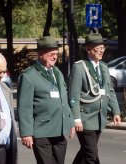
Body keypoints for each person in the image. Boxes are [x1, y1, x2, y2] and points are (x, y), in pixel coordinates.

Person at [17, 36, 75, 164]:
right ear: (40, 54)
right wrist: (26, 133)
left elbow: (64, 100)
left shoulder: (57, 73)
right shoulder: (28, 76)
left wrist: (70, 122)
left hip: (59, 130)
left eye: (56, 54)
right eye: (51, 54)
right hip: (42, 131)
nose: (55, 57)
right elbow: (24, 107)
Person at [68, 31, 121, 164]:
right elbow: (73, 95)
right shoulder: (79, 67)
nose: (101, 50)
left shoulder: (103, 67)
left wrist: (116, 111)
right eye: (98, 48)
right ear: (88, 49)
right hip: (85, 118)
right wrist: (76, 118)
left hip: (99, 118)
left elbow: (110, 91)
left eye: (103, 47)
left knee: (86, 152)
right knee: (92, 155)